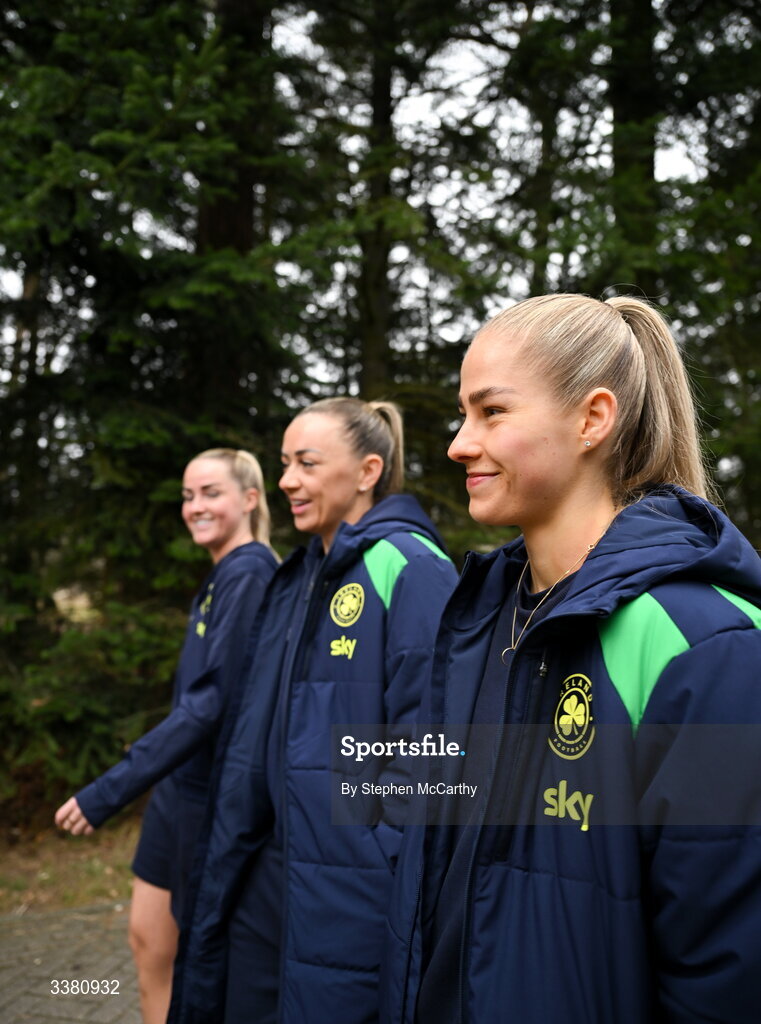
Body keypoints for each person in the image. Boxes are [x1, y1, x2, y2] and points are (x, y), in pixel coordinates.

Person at [381, 294, 761, 1023]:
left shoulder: (704, 642)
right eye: (463, 414)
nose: (459, 442)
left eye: (490, 412)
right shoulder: (476, 621)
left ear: (591, 419)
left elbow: (726, 975)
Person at [168, 398, 459, 1024]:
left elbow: (435, 748)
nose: (286, 481)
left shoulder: (409, 567)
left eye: (306, 462)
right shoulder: (300, 575)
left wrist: (368, 849)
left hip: (345, 890)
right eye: (283, 464)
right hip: (264, 877)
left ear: (367, 471)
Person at [55, 448, 279, 1024]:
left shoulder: (251, 572)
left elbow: (210, 706)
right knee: (148, 940)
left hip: (205, 798)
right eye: (187, 495)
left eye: (210, 493)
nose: (194, 506)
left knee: (188, 957)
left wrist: (109, 789)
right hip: (176, 793)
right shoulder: (223, 573)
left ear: (250, 500)